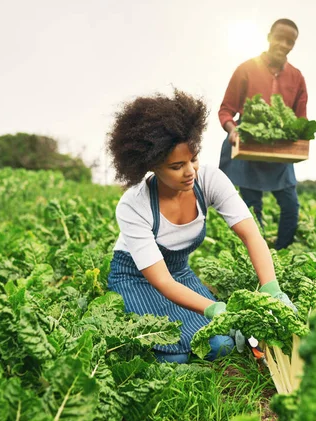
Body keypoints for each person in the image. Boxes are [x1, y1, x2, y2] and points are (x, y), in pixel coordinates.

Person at [106, 89, 294, 364]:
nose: (190, 171)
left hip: (179, 274)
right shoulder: (134, 205)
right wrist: (215, 308)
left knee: (220, 346)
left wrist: (271, 288)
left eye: (193, 159)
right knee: (175, 357)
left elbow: (251, 235)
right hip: (136, 278)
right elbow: (162, 281)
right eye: (176, 166)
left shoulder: (208, 180)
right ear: (152, 165)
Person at [218, 18, 307, 250]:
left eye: (290, 41)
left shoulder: (296, 77)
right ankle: (258, 254)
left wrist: (299, 136)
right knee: (252, 206)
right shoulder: (246, 68)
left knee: (290, 205)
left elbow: (301, 119)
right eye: (280, 38)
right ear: (269, 37)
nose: (284, 44)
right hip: (249, 146)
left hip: (280, 150)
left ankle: (280, 253)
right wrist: (232, 129)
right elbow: (226, 109)